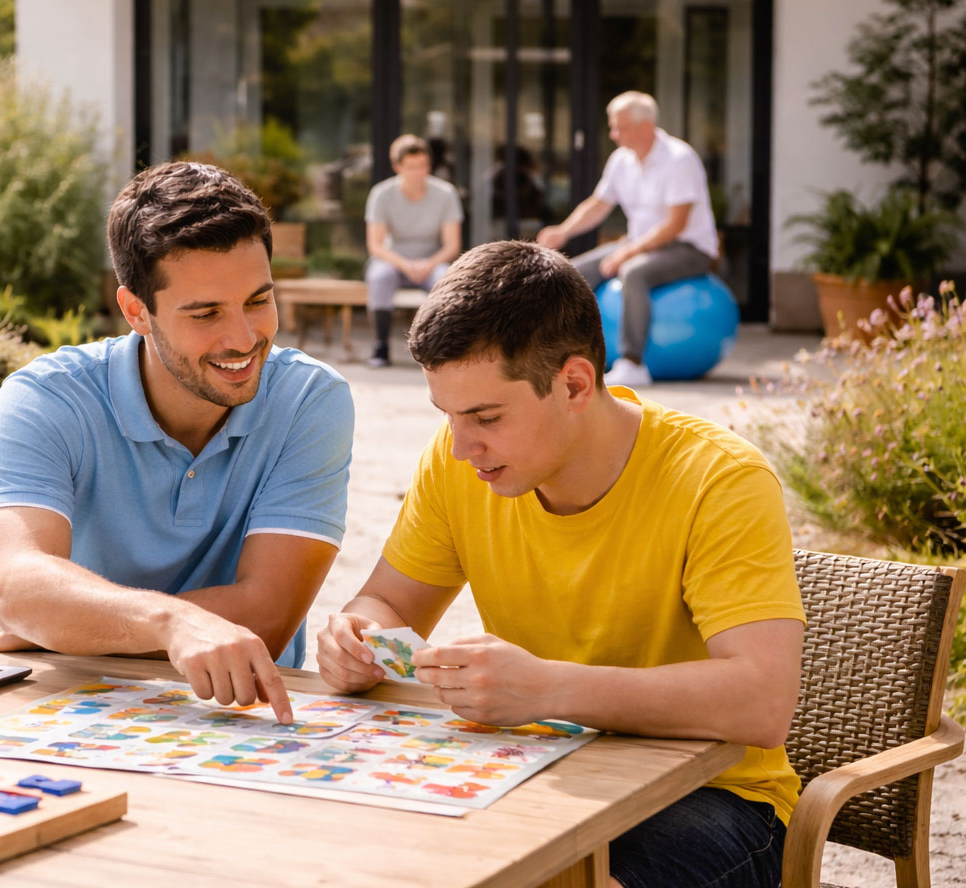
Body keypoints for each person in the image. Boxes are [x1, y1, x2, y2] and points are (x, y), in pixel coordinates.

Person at [317, 240, 805, 888]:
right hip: (539, 767)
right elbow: (389, 604)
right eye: (449, 416)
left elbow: (761, 701)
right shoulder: (462, 458)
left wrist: (545, 689)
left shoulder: (720, 480)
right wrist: (355, 637)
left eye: (486, 416)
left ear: (574, 383)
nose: (461, 446)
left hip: (718, 801)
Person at [0, 160, 354, 724]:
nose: (242, 337)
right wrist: (171, 624)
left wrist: (69, 624)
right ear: (136, 311)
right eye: (206, 312)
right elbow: (19, 588)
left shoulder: (309, 401)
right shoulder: (46, 398)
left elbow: (265, 615)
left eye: (258, 301)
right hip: (31, 691)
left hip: (226, 712)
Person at [536, 91, 720, 387]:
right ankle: (561, 351)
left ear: (645, 126)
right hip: (638, 243)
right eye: (612, 126)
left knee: (633, 273)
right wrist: (564, 231)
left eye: (619, 127)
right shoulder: (622, 160)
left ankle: (632, 363)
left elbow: (676, 224)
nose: (613, 134)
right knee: (571, 272)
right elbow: (598, 203)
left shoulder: (679, 159)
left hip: (689, 248)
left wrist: (628, 253)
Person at [364, 134, 463, 368]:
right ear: (397, 167)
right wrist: (405, 264)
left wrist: (428, 264)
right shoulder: (381, 194)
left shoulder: (446, 194)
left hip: (432, 260)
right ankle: (381, 346)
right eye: (412, 167)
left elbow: (452, 245)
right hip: (393, 260)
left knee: (445, 279)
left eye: (423, 166)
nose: (419, 172)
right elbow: (375, 245)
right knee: (380, 276)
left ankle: (438, 349)